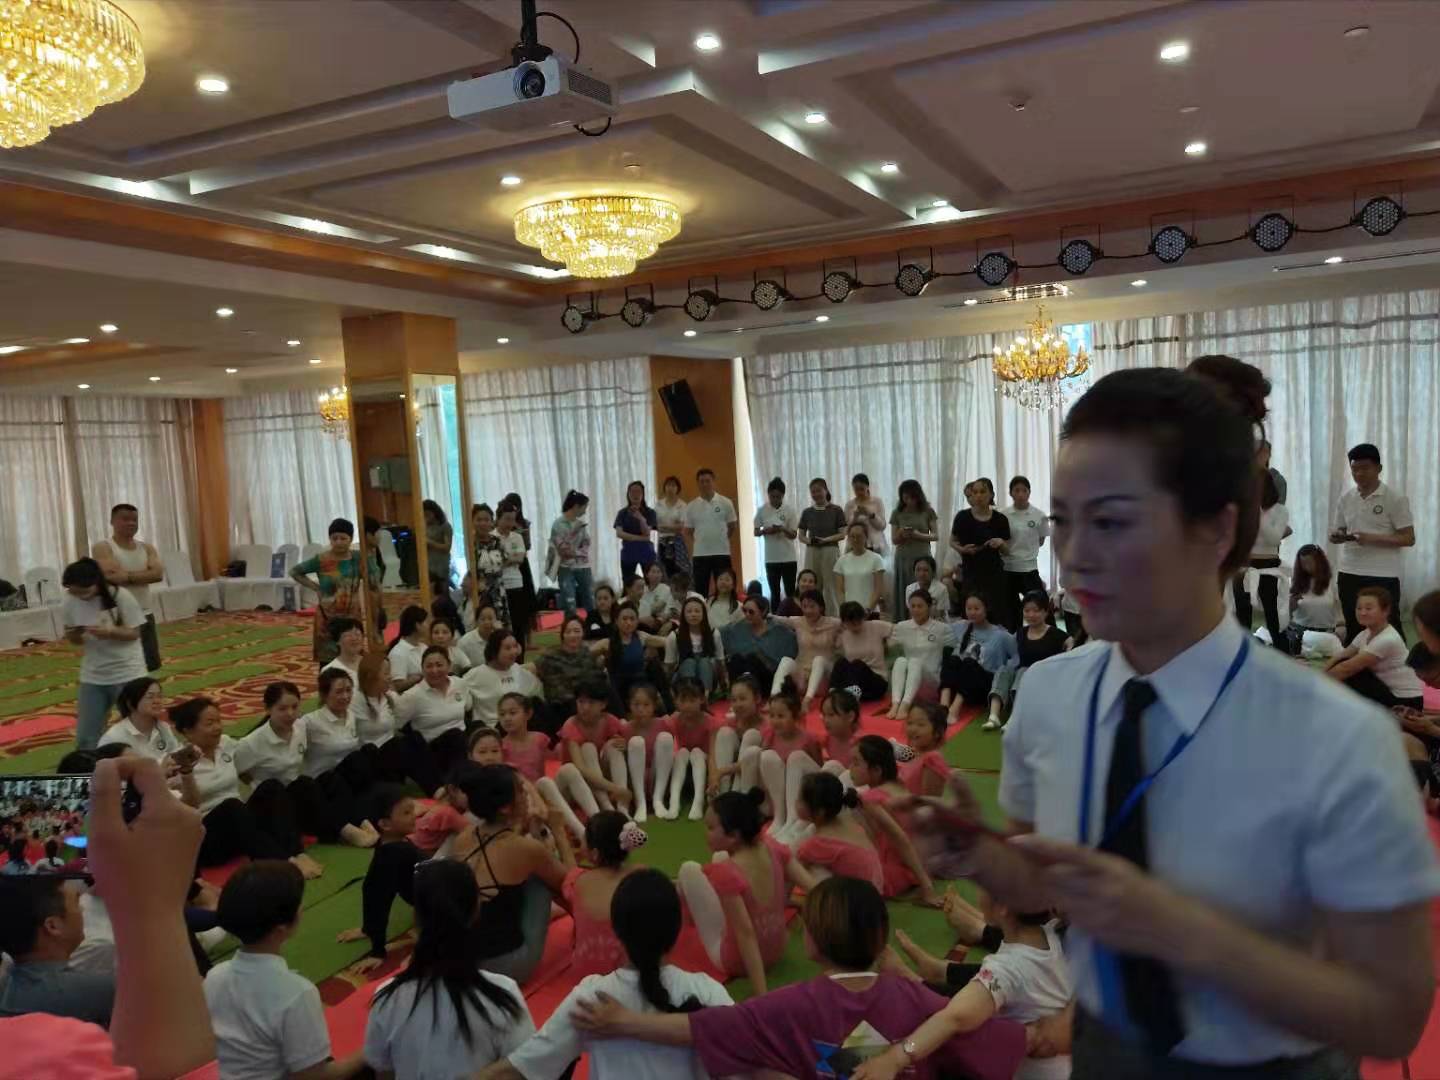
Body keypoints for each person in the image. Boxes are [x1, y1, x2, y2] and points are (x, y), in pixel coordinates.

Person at [912, 366, 1440, 1078]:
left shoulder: (1337, 737)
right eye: (1064, 521)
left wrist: (1186, 934)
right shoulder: (1049, 693)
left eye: (1111, 521)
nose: (1074, 554)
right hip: (1102, 1046)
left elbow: (1393, 1014)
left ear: (1215, 527)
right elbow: (1043, 885)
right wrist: (985, 858)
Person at [573, 875, 1025, 1080]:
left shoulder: (788, 1005)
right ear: (880, 938)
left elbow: (699, 1028)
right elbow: (1004, 1039)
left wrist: (625, 1021)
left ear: (811, 942)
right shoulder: (918, 1000)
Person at [480, 869, 731, 1080]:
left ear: (617, 931)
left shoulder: (593, 999)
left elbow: (522, 1067)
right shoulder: (707, 991)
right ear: (677, 930)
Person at [872, 889, 1074, 1080]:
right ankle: (929, 975)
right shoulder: (1055, 934)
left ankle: (922, 980)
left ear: (1003, 906)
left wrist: (895, 1058)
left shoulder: (1006, 968)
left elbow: (955, 1017)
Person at [364, 858, 535, 1080]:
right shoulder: (502, 994)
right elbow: (526, 1069)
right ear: (476, 910)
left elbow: (384, 1073)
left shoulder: (387, 998)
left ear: (416, 918)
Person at [206, 860, 364, 1079]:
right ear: (281, 928)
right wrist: (368, 1051)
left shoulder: (214, 976)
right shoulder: (297, 993)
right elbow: (315, 1077)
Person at [675, 788, 816, 994]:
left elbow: (746, 933)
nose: (706, 833)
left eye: (711, 828)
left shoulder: (726, 872)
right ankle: (684, 905)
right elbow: (813, 886)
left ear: (734, 835)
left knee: (688, 870)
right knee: (719, 859)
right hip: (776, 950)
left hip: (735, 962)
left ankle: (684, 913)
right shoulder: (773, 847)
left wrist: (762, 993)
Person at [448, 764, 576, 984]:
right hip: (507, 967)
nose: (528, 797)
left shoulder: (464, 837)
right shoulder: (524, 849)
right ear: (506, 807)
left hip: (462, 959)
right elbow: (572, 884)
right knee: (541, 878)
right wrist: (559, 831)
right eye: (522, 791)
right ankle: (588, 932)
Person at [234, 681, 363, 875]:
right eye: (282, 709)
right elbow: (235, 770)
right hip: (266, 806)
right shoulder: (252, 743)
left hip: (289, 802)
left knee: (305, 783)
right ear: (268, 709)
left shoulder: (300, 728)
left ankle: (342, 830)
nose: (290, 714)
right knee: (273, 787)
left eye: (294, 707)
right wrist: (253, 783)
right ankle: (295, 853)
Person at [170, 697, 295, 868]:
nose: (217, 727)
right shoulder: (176, 762)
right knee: (232, 806)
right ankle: (283, 862)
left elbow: (253, 746)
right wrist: (187, 773)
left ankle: (295, 851)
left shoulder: (226, 743)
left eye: (218, 721)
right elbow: (183, 808)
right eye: (209, 723)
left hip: (241, 824)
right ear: (188, 731)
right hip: (208, 838)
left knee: (271, 787)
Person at [0, 875, 115, 1024]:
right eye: (76, 902)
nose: (82, 908)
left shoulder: (6, 984)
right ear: (53, 926)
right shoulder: (100, 992)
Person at [1330, 443, 1415, 643]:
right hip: (1349, 570)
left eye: (1365, 468)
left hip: (1383, 574)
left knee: (1390, 627)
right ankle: (1356, 662)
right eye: (1354, 469)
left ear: (1379, 468)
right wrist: (1337, 535)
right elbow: (1340, 528)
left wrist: (1371, 538)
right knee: (1354, 624)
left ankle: (1398, 662)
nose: (1359, 474)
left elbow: (1408, 538)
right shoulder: (1346, 498)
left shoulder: (1395, 498)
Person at [335, 785, 422, 973]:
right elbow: (376, 896)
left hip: (441, 902)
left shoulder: (395, 848)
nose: (414, 816)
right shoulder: (392, 850)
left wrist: (376, 947)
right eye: (407, 813)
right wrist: (376, 947)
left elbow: (376, 895)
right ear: (385, 824)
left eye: (412, 810)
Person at [61, 557, 146, 750]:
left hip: (128, 673)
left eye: (85, 591)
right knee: (86, 736)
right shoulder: (69, 600)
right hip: (93, 675)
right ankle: (90, 766)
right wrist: (75, 633)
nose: (80, 596)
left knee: (138, 731)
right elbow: (74, 640)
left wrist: (110, 632)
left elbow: (135, 633)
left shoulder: (120, 596)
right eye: (74, 591)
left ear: (97, 582)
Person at [290, 518, 381, 669]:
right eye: (334, 538)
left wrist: (370, 553)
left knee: (353, 658)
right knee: (328, 662)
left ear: (350, 539)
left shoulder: (358, 558)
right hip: (327, 618)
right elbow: (295, 572)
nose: (338, 542)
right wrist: (316, 587)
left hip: (351, 617)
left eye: (343, 538)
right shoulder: (321, 559)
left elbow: (374, 581)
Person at [563, 812, 646, 977]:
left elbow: (569, 871)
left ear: (594, 853)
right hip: (634, 973)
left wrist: (559, 834)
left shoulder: (577, 881)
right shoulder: (643, 874)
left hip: (587, 974)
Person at [91, 503, 165, 672]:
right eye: (125, 519)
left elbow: (158, 574)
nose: (131, 523)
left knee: (149, 665)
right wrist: (144, 575)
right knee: (122, 667)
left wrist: (127, 576)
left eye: (134, 519)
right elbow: (112, 577)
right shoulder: (103, 547)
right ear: (112, 521)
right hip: (118, 616)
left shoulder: (147, 548)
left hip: (145, 613)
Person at [1323, 587, 1425, 709]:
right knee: (1343, 664)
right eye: (1359, 608)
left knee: (1351, 671)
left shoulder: (1387, 639)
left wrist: (1317, 685)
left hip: (1406, 702)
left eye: (1368, 608)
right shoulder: (1365, 633)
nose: (1362, 613)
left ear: (1385, 611)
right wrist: (1319, 676)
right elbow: (1341, 655)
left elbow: (1346, 668)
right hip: (1387, 691)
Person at [941, 592, 1020, 730]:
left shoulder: (1001, 635)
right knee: (952, 658)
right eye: (969, 608)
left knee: (969, 662)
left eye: (976, 608)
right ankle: (943, 706)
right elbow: (939, 630)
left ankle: (954, 710)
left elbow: (1017, 657)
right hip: (961, 682)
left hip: (984, 685)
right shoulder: (961, 626)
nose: (972, 612)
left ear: (986, 609)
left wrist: (1005, 669)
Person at [398, 645, 471, 787]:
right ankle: (456, 784)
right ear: (422, 669)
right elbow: (396, 724)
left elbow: (467, 707)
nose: (434, 670)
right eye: (429, 666)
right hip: (433, 750)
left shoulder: (460, 684)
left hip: (462, 742)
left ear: (449, 666)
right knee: (455, 736)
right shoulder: (412, 696)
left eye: (439, 665)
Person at [1235, 469, 1290, 644]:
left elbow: (1274, 539)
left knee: (1272, 614)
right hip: (1243, 565)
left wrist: (1258, 514)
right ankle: (1245, 653)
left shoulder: (1280, 510)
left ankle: (1282, 651)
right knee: (1242, 615)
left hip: (1268, 565)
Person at [950, 478, 1013, 629]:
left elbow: (1007, 551)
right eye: (975, 492)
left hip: (994, 573)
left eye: (983, 492)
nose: (978, 496)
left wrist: (1000, 543)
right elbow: (952, 541)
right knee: (971, 614)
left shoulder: (1000, 519)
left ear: (991, 494)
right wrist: (963, 550)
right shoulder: (962, 517)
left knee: (996, 614)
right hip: (971, 573)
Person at [591, 602, 672, 713]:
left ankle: (671, 710)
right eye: (624, 619)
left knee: (655, 667)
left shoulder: (641, 637)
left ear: (637, 621)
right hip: (620, 689)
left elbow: (668, 642)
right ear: (616, 621)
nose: (628, 623)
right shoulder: (607, 643)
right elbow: (586, 654)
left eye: (632, 619)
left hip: (641, 685)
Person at [887, 590, 953, 719]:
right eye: (913, 606)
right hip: (908, 684)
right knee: (901, 660)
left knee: (915, 661)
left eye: (920, 606)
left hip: (930, 682)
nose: (916, 610)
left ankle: (905, 706)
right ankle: (896, 704)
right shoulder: (902, 626)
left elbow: (951, 657)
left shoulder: (943, 629)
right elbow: (890, 649)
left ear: (929, 607)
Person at [776, 588, 842, 712]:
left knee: (819, 660)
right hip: (802, 676)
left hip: (823, 676)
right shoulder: (798, 621)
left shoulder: (834, 623)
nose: (808, 610)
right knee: (786, 660)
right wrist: (763, 614)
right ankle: (774, 698)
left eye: (812, 606)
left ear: (821, 607)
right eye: (804, 606)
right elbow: (778, 619)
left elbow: (852, 621)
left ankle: (807, 700)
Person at [463, 629, 542, 729]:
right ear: (494, 651)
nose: (514, 652)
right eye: (508, 648)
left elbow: (535, 692)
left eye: (515, 646)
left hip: (521, 725)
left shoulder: (518, 670)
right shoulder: (475, 675)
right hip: (492, 727)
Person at [720, 594, 798, 694]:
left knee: (753, 658)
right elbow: (719, 633)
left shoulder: (779, 631)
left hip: (768, 678)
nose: (747, 615)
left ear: (763, 612)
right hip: (745, 674)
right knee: (736, 659)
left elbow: (789, 654)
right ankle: (735, 693)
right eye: (744, 610)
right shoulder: (738, 627)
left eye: (751, 612)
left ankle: (752, 694)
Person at [1280, 544, 1346, 658]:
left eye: (1310, 562)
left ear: (1319, 562)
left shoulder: (1332, 583)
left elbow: (1340, 608)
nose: (1307, 567)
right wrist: (1291, 605)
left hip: (1327, 633)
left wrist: (1341, 626)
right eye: (1303, 563)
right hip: (1301, 632)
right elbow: (1285, 618)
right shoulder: (1295, 584)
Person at [1002, 477, 1050, 631]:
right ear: (1010, 493)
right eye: (1016, 490)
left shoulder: (1039, 515)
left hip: (1029, 568)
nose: (1021, 494)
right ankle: (1014, 638)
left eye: (1024, 490)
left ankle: (1049, 638)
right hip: (1008, 568)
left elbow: (1041, 541)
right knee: (1011, 611)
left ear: (1029, 492)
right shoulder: (1003, 515)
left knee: (1041, 604)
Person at [683, 468, 738, 597]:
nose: (705, 484)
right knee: (700, 590)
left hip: (722, 553)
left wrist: (722, 539)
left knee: (725, 589)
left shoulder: (726, 502)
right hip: (700, 555)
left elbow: (732, 526)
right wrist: (696, 546)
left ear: (713, 481)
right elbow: (688, 531)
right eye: (701, 481)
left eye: (708, 481)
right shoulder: (691, 506)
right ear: (698, 483)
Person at [709, 673, 766, 795]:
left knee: (752, 735)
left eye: (743, 699)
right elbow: (712, 757)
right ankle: (721, 795)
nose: (738, 704)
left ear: (757, 698)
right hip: (726, 775)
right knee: (725, 733)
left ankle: (737, 795)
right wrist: (714, 777)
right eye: (734, 700)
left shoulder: (768, 726)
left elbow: (754, 761)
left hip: (754, 779)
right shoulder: (727, 724)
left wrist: (723, 771)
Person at [98, 676, 180, 760]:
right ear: (130, 703)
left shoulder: (163, 727)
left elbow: (176, 753)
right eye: (150, 697)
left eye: (159, 696)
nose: (157, 701)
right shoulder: (114, 738)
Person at [799, 477, 848, 613]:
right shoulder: (807, 512)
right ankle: (812, 612)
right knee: (812, 585)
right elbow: (801, 535)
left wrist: (825, 540)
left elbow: (843, 534)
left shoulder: (836, 510)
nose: (816, 494)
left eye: (818, 491)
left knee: (831, 585)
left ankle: (834, 616)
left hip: (830, 550)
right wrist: (810, 541)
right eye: (813, 492)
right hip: (812, 550)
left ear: (826, 490)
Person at [890, 479, 939, 617]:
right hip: (903, 556)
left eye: (912, 497)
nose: (909, 501)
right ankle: (903, 618)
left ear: (918, 496)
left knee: (923, 586)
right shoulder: (897, 512)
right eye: (905, 498)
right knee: (905, 588)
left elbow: (935, 536)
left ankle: (926, 617)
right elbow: (894, 540)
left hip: (922, 555)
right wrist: (901, 533)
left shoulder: (928, 511)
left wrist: (918, 535)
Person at [664, 596, 726, 696]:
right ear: (683, 615)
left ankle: (704, 697)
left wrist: (723, 682)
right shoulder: (674, 636)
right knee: (689, 662)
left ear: (704, 614)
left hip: (710, 676)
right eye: (689, 611)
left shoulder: (714, 633)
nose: (693, 614)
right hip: (683, 677)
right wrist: (667, 687)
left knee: (704, 662)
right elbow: (669, 666)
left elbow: (720, 662)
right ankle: (690, 695)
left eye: (697, 611)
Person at [832, 601, 893, 701]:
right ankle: (833, 694)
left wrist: (888, 644)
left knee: (858, 664)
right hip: (854, 682)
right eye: (851, 622)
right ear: (844, 622)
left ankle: (849, 697)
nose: (855, 624)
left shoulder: (875, 626)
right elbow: (833, 647)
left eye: (858, 620)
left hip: (876, 681)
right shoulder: (843, 634)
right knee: (840, 662)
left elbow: (897, 629)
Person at [755, 476, 800, 606]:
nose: (775, 499)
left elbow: (793, 535)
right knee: (774, 593)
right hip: (771, 559)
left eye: (778, 497)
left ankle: (792, 615)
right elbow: (756, 532)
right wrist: (765, 531)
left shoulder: (790, 510)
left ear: (783, 495)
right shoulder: (762, 510)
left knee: (790, 592)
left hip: (788, 558)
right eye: (772, 496)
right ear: (768, 494)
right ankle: (776, 616)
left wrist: (782, 529)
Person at [551, 490, 595, 620]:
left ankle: (593, 624)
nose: (585, 512)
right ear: (576, 506)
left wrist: (575, 553)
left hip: (584, 567)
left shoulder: (580, 524)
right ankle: (571, 626)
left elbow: (586, 544)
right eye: (584, 508)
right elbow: (563, 550)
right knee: (569, 601)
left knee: (589, 599)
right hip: (565, 568)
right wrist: (574, 536)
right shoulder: (558, 525)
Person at [494, 505, 532, 648]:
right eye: (507, 519)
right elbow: (495, 563)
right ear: (498, 519)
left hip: (516, 583)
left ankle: (519, 654)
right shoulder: (492, 537)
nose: (510, 523)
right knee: (501, 623)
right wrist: (510, 558)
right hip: (498, 585)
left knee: (518, 623)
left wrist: (505, 559)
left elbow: (520, 558)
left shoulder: (517, 537)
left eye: (513, 520)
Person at [834, 522, 887, 618]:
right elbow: (839, 590)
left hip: (870, 612)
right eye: (852, 536)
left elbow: (878, 589)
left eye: (859, 536)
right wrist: (844, 608)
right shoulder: (841, 561)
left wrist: (869, 609)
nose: (855, 539)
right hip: (848, 613)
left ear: (866, 537)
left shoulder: (876, 559)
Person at [614, 480, 658, 582]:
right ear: (628, 494)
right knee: (628, 582)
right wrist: (640, 538)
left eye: (638, 491)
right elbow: (619, 533)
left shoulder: (650, 512)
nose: (635, 494)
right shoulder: (622, 513)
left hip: (646, 551)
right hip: (628, 551)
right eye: (632, 491)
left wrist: (640, 518)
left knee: (650, 581)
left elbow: (647, 533)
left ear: (643, 494)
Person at [655, 475, 691, 579]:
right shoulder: (659, 504)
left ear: (678, 488)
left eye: (673, 485)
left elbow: (681, 527)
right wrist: (673, 526)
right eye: (668, 485)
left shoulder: (682, 505)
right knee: (663, 570)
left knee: (679, 570)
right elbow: (654, 525)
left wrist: (664, 526)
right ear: (664, 487)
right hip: (662, 541)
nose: (670, 488)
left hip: (677, 542)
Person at [388, 605, 430, 691]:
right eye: (426, 622)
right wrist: (418, 678)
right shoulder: (398, 652)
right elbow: (397, 686)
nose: (428, 626)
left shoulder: (424, 647)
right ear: (417, 625)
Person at [846, 473, 889, 557]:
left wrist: (870, 514)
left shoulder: (877, 502)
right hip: (856, 543)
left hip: (875, 544)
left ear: (867, 487)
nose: (859, 492)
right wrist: (855, 517)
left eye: (862, 489)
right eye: (856, 489)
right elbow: (847, 530)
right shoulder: (849, 505)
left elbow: (882, 526)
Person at [320, 615, 367, 684]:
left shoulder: (372, 664)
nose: (354, 638)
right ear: (337, 640)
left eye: (357, 634)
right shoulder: (329, 670)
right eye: (348, 635)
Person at [422, 498, 455, 597]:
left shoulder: (445, 526)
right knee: (430, 594)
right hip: (428, 564)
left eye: (428, 514)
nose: (426, 517)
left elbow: (447, 547)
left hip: (441, 565)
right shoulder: (425, 526)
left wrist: (429, 542)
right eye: (424, 515)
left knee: (443, 594)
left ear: (435, 512)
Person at [636, 561, 678, 633]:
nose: (656, 575)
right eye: (653, 572)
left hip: (659, 620)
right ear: (647, 574)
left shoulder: (665, 589)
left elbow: (659, 608)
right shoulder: (643, 588)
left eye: (659, 572)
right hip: (642, 618)